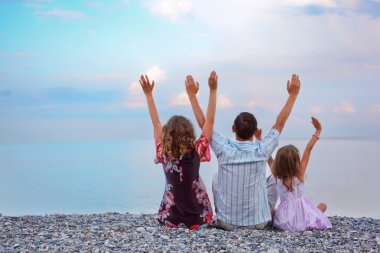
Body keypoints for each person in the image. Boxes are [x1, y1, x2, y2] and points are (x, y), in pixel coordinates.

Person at [186, 74, 300, 230]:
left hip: (227, 223)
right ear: (255, 132)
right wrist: (293, 95)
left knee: (216, 177)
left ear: (233, 129)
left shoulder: (223, 147)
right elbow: (280, 123)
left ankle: (224, 213)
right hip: (258, 223)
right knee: (274, 177)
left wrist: (194, 95)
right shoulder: (262, 149)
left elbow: (204, 124)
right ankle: (271, 212)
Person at [139, 71, 217, 229]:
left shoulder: (163, 152)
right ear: (190, 133)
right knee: (197, 178)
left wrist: (148, 95)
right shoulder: (197, 150)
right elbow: (210, 121)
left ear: (167, 135)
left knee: (180, 180)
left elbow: (156, 124)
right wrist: (212, 91)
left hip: (170, 219)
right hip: (199, 219)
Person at [271, 117, 332, 232]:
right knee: (322, 206)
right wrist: (318, 130)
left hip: (285, 221)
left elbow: (268, 158)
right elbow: (308, 149)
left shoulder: (277, 176)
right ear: (296, 161)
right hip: (304, 216)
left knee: (272, 210)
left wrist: (259, 139)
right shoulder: (299, 174)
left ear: (278, 162)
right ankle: (315, 215)